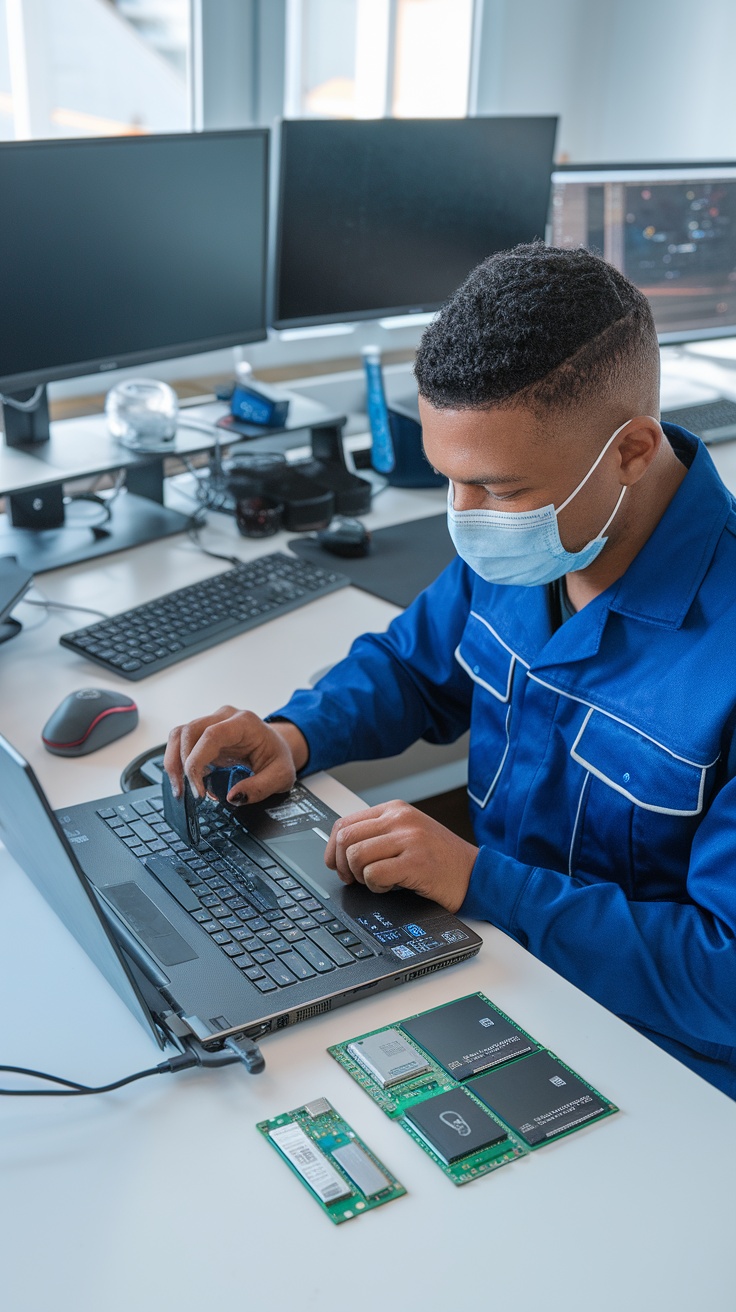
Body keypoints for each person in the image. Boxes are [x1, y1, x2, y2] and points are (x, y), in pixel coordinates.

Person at [165, 244, 736, 1099]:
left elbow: (724, 983)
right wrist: (296, 733)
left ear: (631, 451)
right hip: (497, 967)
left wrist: (480, 880)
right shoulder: (532, 540)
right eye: (449, 482)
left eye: (498, 490)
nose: (465, 520)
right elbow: (413, 667)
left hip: (659, 1056)